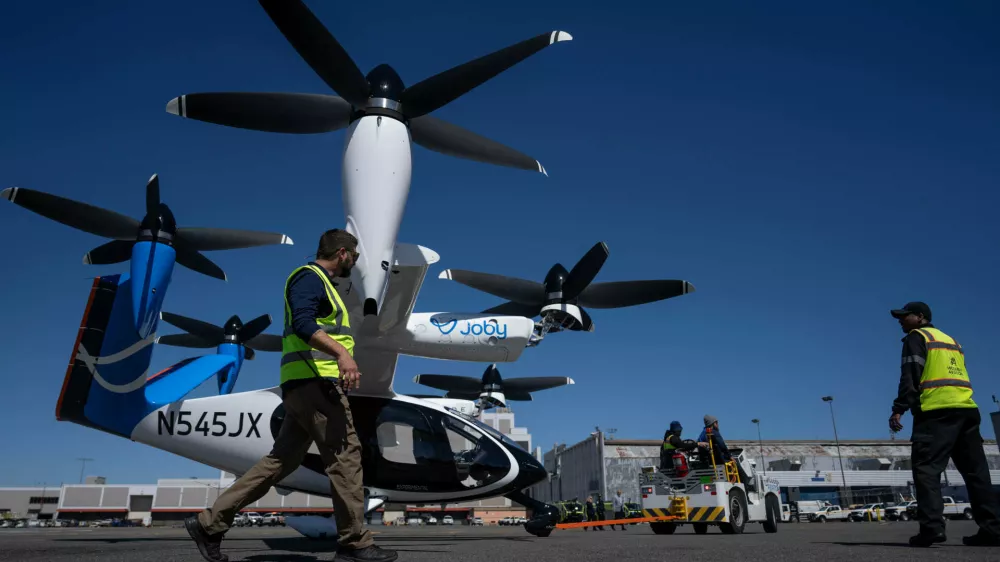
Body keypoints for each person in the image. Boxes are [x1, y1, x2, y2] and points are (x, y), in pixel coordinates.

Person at [184, 229, 397, 562]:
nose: (353, 263)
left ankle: (210, 525)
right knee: (346, 459)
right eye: (353, 257)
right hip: (316, 385)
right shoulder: (309, 278)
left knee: (279, 462)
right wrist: (342, 354)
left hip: (303, 387)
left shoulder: (319, 282)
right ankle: (354, 543)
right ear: (342, 253)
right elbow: (302, 323)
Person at [888, 301, 1000, 548]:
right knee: (977, 474)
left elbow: (911, 375)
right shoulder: (951, 341)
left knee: (927, 471)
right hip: (967, 410)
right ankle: (992, 529)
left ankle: (931, 529)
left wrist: (899, 409)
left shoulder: (916, 338)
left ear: (920, 317)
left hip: (936, 413)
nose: (900, 320)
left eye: (904, 316)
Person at [699, 415, 754, 491]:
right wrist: (730, 456)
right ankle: (746, 494)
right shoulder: (714, 432)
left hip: (708, 462)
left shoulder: (701, 434)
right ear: (714, 423)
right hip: (720, 461)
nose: (718, 424)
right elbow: (722, 446)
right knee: (741, 471)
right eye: (717, 422)